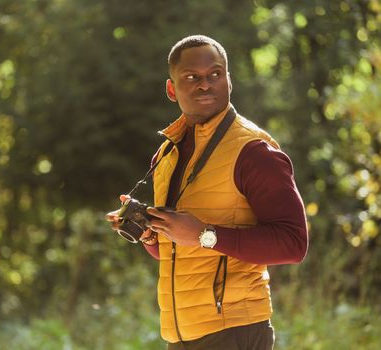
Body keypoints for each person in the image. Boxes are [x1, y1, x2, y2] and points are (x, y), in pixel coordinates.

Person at [106, 35, 308, 349]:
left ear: (229, 80)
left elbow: (294, 245)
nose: (205, 84)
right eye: (192, 77)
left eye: (215, 74)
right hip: (180, 336)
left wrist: (205, 234)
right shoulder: (165, 155)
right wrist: (152, 235)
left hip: (236, 330)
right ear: (172, 90)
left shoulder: (254, 151)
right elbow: (180, 249)